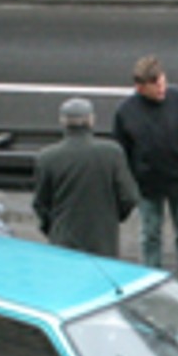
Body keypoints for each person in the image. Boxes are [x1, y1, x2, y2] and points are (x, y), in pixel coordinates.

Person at [113, 56, 178, 283]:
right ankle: (152, 277)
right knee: (151, 234)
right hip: (149, 184)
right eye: (155, 86)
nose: (161, 90)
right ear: (140, 88)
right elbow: (123, 151)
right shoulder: (126, 112)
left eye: (162, 83)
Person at [33, 96, 139, 257]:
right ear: (91, 120)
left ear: (63, 122)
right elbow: (129, 197)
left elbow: (41, 203)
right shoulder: (112, 153)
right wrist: (112, 219)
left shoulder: (47, 157)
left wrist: (53, 228)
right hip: (103, 242)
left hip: (63, 240)